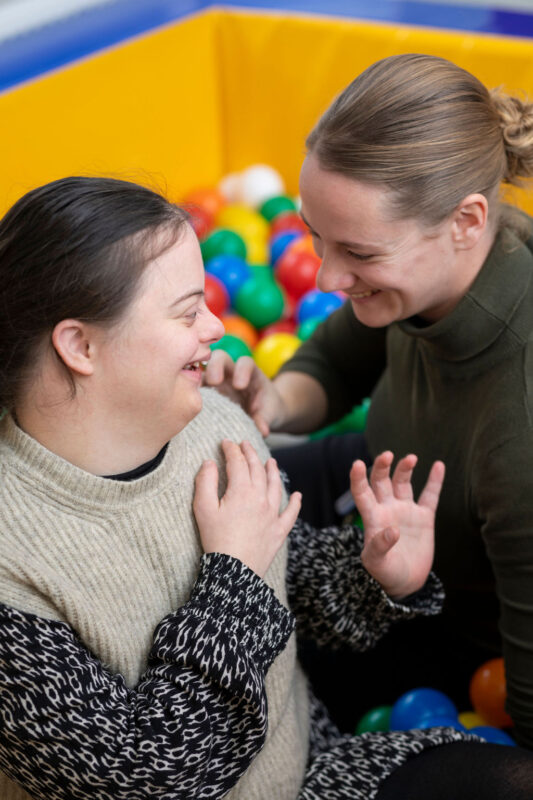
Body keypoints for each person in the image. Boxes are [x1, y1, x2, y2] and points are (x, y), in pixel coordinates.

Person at [2, 176, 533, 800]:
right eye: (187, 311)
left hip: (313, 770)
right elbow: (144, 781)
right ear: (80, 345)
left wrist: (372, 575)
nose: (214, 327)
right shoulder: (15, 566)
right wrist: (234, 576)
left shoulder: (213, 425)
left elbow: (286, 577)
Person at [204, 52, 533, 748]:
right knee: (205, 488)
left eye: (358, 253)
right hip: (383, 484)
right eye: (314, 237)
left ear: (466, 221)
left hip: (451, 637)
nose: (326, 278)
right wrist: (272, 402)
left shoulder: (520, 430)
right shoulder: (439, 273)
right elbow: (334, 360)